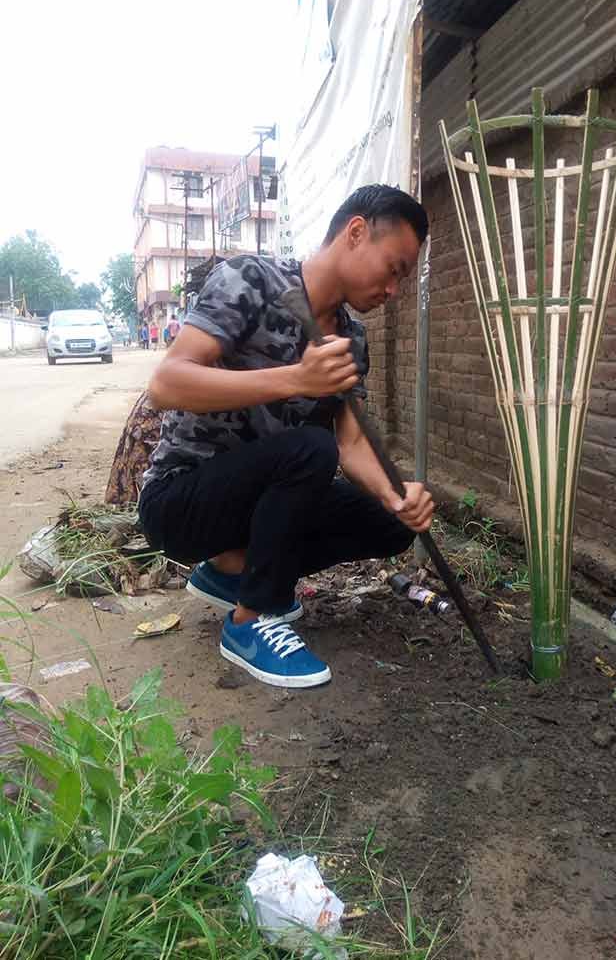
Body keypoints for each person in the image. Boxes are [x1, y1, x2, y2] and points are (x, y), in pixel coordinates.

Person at [138, 184, 433, 689]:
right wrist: (296, 378)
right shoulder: (250, 280)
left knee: (389, 523)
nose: (393, 290)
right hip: (181, 500)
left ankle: (232, 571)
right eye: (394, 269)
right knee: (309, 450)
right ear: (356, 233)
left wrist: (396, 496)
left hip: (255, 501)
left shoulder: (351, 339)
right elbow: (166, 385)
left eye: (401, 279)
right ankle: (250, 620)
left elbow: (351, 444)